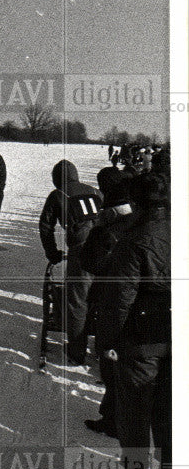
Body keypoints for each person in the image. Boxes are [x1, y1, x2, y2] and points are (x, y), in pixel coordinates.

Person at [98, 173, 170, 469]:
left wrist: (108, 339)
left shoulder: (134, 238)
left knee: (135, 409)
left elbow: (121, 296)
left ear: (137, 202)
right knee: (169, 409)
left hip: (142, 336)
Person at [80, 171, 136, 436]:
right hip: (140, 306)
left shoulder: (107, 232)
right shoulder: (142, 225)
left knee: (111, 363)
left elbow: (89, 263)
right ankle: (115, 417)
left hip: (113, 305)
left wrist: (97, 231)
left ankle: (115, 421)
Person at [38, 159, 101, 365]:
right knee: (103, 296)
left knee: (77, 301)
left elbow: (46, 226)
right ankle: (103, 344)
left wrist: (52, 253)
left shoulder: (57, 195)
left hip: (82, 250)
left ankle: (76, 352)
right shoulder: (94, 190)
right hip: (106, 246)